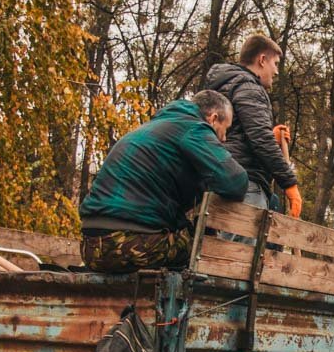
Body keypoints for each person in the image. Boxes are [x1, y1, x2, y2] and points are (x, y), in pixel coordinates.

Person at [79, 91, 248, 273]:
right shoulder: (194, 128)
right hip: (128, 245)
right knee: (209, 244)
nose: (224, 139)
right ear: (214, 119)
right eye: (226, 129)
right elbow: (236, 182)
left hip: (90, 248)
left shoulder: (157, 128)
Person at [205, 34, 302, 219]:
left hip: (223, 177)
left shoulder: (225, 85)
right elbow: (259, 137)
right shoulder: (249, 87)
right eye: (275, 64)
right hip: (246, 183)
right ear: (262, 60)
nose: (276, 72)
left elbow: (239, 133)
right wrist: (290, 184)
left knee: (222, 246)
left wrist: (272, 135)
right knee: (239, 247)